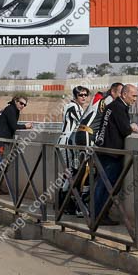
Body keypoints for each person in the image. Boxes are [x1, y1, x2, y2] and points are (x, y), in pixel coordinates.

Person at [93, 84, 138, 226]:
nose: (135, 99)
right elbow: (124, 130)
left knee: (102, 184)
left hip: (103, 149)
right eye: (133, 96)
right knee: (108, 185)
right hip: (112, 153)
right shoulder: (119, 107)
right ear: (124, 94)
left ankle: (96, 214)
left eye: (136, 96)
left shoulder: (112, 106)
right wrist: (131, 127)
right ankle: (100, 215)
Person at [0, 96, 33, 192]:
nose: (22, 106)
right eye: (21, 103)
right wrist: (25, 126)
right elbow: (14, 126)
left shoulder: (13, 109)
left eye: (24, 105)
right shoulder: (11, 109)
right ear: (16, 101)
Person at [57, 86, 89, 216]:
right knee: (71, 172)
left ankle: (63, 203)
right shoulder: (73, 107)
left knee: (70, 173)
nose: (84, 97)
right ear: (75, 96)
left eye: (85, 95)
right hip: (67, 142)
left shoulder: (75, 107)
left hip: (69, 141)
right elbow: (83, 124)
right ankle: (64, 203)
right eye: (81, 95)